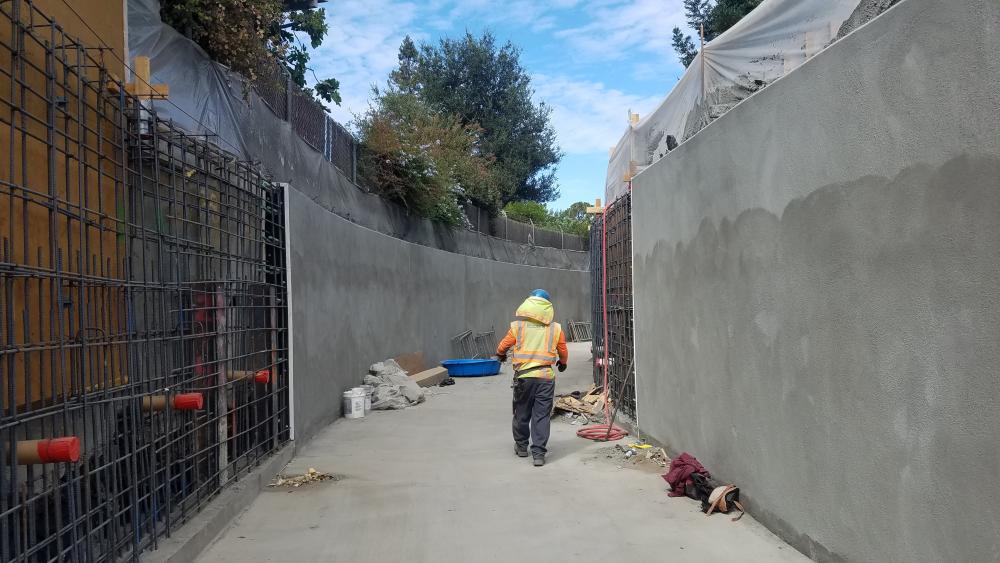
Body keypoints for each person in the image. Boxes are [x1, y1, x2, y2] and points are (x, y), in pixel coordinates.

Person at [496, 289, 568, 467]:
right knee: (541, 416)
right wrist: (563, 363)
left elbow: (502, 346)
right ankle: (538, 454)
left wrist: (500, 354)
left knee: (521, 412)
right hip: (545, 378)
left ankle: (521, 447)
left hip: (524, 379)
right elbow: (563, 351)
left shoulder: (517, 327)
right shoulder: (556, 328)